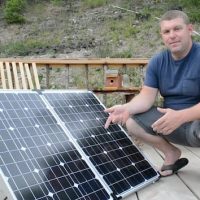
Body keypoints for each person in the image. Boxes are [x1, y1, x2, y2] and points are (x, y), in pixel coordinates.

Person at [104, 10, 200, 177]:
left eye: (177, 29)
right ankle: (171, 153)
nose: (172, 35)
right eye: (166, 31)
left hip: (196, 125)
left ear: (190, 29)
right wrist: (126, 108)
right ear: (162, 36)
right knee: (133, 120)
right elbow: (146, 98)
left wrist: (181, 116)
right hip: (170, 124)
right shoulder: (158, 61)